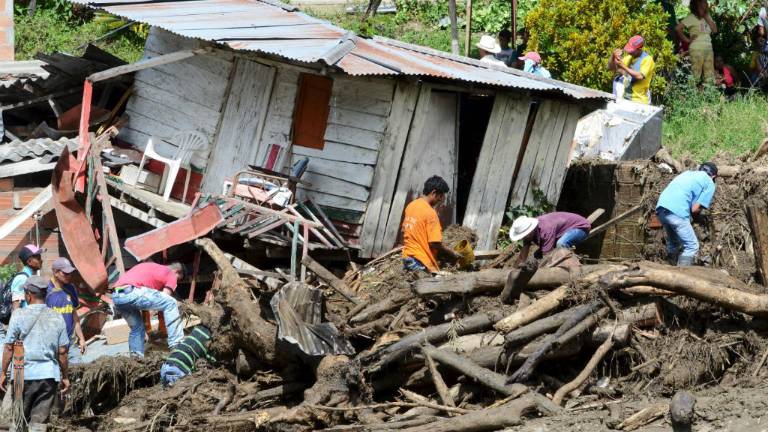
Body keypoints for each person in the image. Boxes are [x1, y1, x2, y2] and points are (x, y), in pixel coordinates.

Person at [0, 276, 69, 432]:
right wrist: (65, 376)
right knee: (39, 422)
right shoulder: (57, 317)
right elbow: (62, 352)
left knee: (19, 419)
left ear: (28, 295)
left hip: (22, 375)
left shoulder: (18, 315)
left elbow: (9, 348)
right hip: (48, 377)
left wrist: (3, 373)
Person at [110, 262, 185, 358]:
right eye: (179, 279)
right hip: (133, 292)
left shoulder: (151, 267)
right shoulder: (170, 273)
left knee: (137, 327)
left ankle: (136, 358)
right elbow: (165, 296)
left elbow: (146, 302)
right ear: (177, 271)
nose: (176, 282)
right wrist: (180, 304)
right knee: (171, 303)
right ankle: (177, 345)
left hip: (117, 296)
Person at [656, 162, 718, 266]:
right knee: (692, 246)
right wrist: (698, 217)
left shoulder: (687, 173)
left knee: (674, 243)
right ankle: (681, 273)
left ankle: (670, 269)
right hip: (677, 211)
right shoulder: (710, 183)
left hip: (661, 209)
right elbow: (694, 209)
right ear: (713, 176)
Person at [401, 176, 462, 273]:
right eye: (441, 196)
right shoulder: (430, 213)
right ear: (434, 193)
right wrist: (451, 253)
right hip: (420, 261)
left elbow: (404, 230)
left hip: (407, 258)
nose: (441, 200)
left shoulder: (411, 206)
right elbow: (434, 243)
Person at [509, 212, 592, 264]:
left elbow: (547, 256)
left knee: (561, 244)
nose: (523, 238)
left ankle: (567, 267)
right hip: (561, 231)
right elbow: (523, 256)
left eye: (524, 235)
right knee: (535, 256)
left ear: (530, 231)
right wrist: (515, 269)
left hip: (581, 228)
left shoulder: (545, 230)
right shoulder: (528, 234)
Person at [46, 258, 86, 365]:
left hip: (71, 342)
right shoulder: (46, 291)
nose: (69, 276)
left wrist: (81, 338)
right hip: (53, 343)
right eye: (65, 273)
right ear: (55, 272)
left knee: (78, 370)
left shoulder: (71, 289)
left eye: (70, 273)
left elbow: (75, 316)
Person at [676, 0, 717, 83]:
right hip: (696, 49)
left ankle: (709, 90)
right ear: (698, 3)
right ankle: (691, 90)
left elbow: (715, 30)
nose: (706, 3)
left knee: (710, 76)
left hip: (708, 48)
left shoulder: (707, 16)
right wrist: (687, 40)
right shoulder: (691, 17)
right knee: (696, 75)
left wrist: (707, 17)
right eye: (704, 1)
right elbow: (678, 28)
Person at [608, 35, 656, 105]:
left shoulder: (648, 59)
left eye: (631, 50)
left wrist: (623, 66)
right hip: (625, 99)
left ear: (639, 49)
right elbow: (611, 68)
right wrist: (613, 56)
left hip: (639, 102)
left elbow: (640, 76)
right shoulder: (629, 58)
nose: (628, 52)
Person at [11, 244, 44, 311]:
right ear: (29, 262)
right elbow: (16, 309)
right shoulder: (22, 278)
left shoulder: (30, 277)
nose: (41, 260)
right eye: (38, 258)